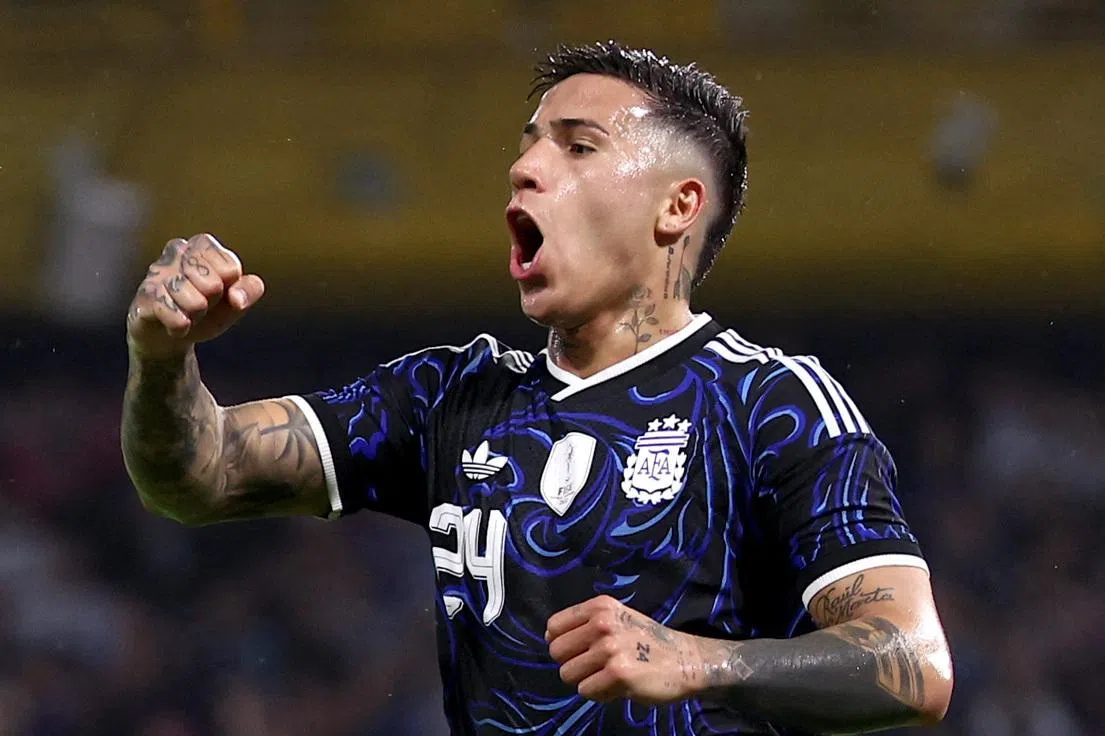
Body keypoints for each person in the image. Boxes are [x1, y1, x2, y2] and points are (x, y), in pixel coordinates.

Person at [122, 42, 953, 735]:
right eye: (527, 144)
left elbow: (914, 664)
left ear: (676, 207)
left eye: (577, 146)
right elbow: (199, 478)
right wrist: (162, 358)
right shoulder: (449, 397)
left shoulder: (767, 402)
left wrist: (699, 660)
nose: (523, 168)